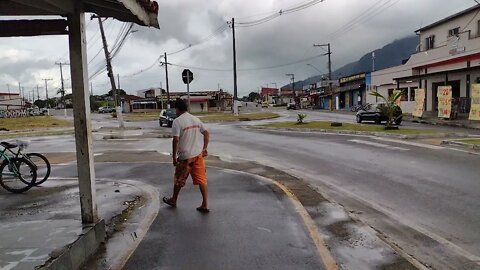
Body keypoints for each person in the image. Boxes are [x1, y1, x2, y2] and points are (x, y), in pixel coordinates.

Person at [163, 99, 211, 213]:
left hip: (185, 157)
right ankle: (205, 204)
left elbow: (175, 140)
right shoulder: (195, 119)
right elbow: (206, 133)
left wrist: (174, 157)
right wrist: (204, 148)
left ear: (177, 109)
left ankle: (174, 199)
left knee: (179, 179)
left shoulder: (177, 121)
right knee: (202, 180)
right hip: (198, 155)